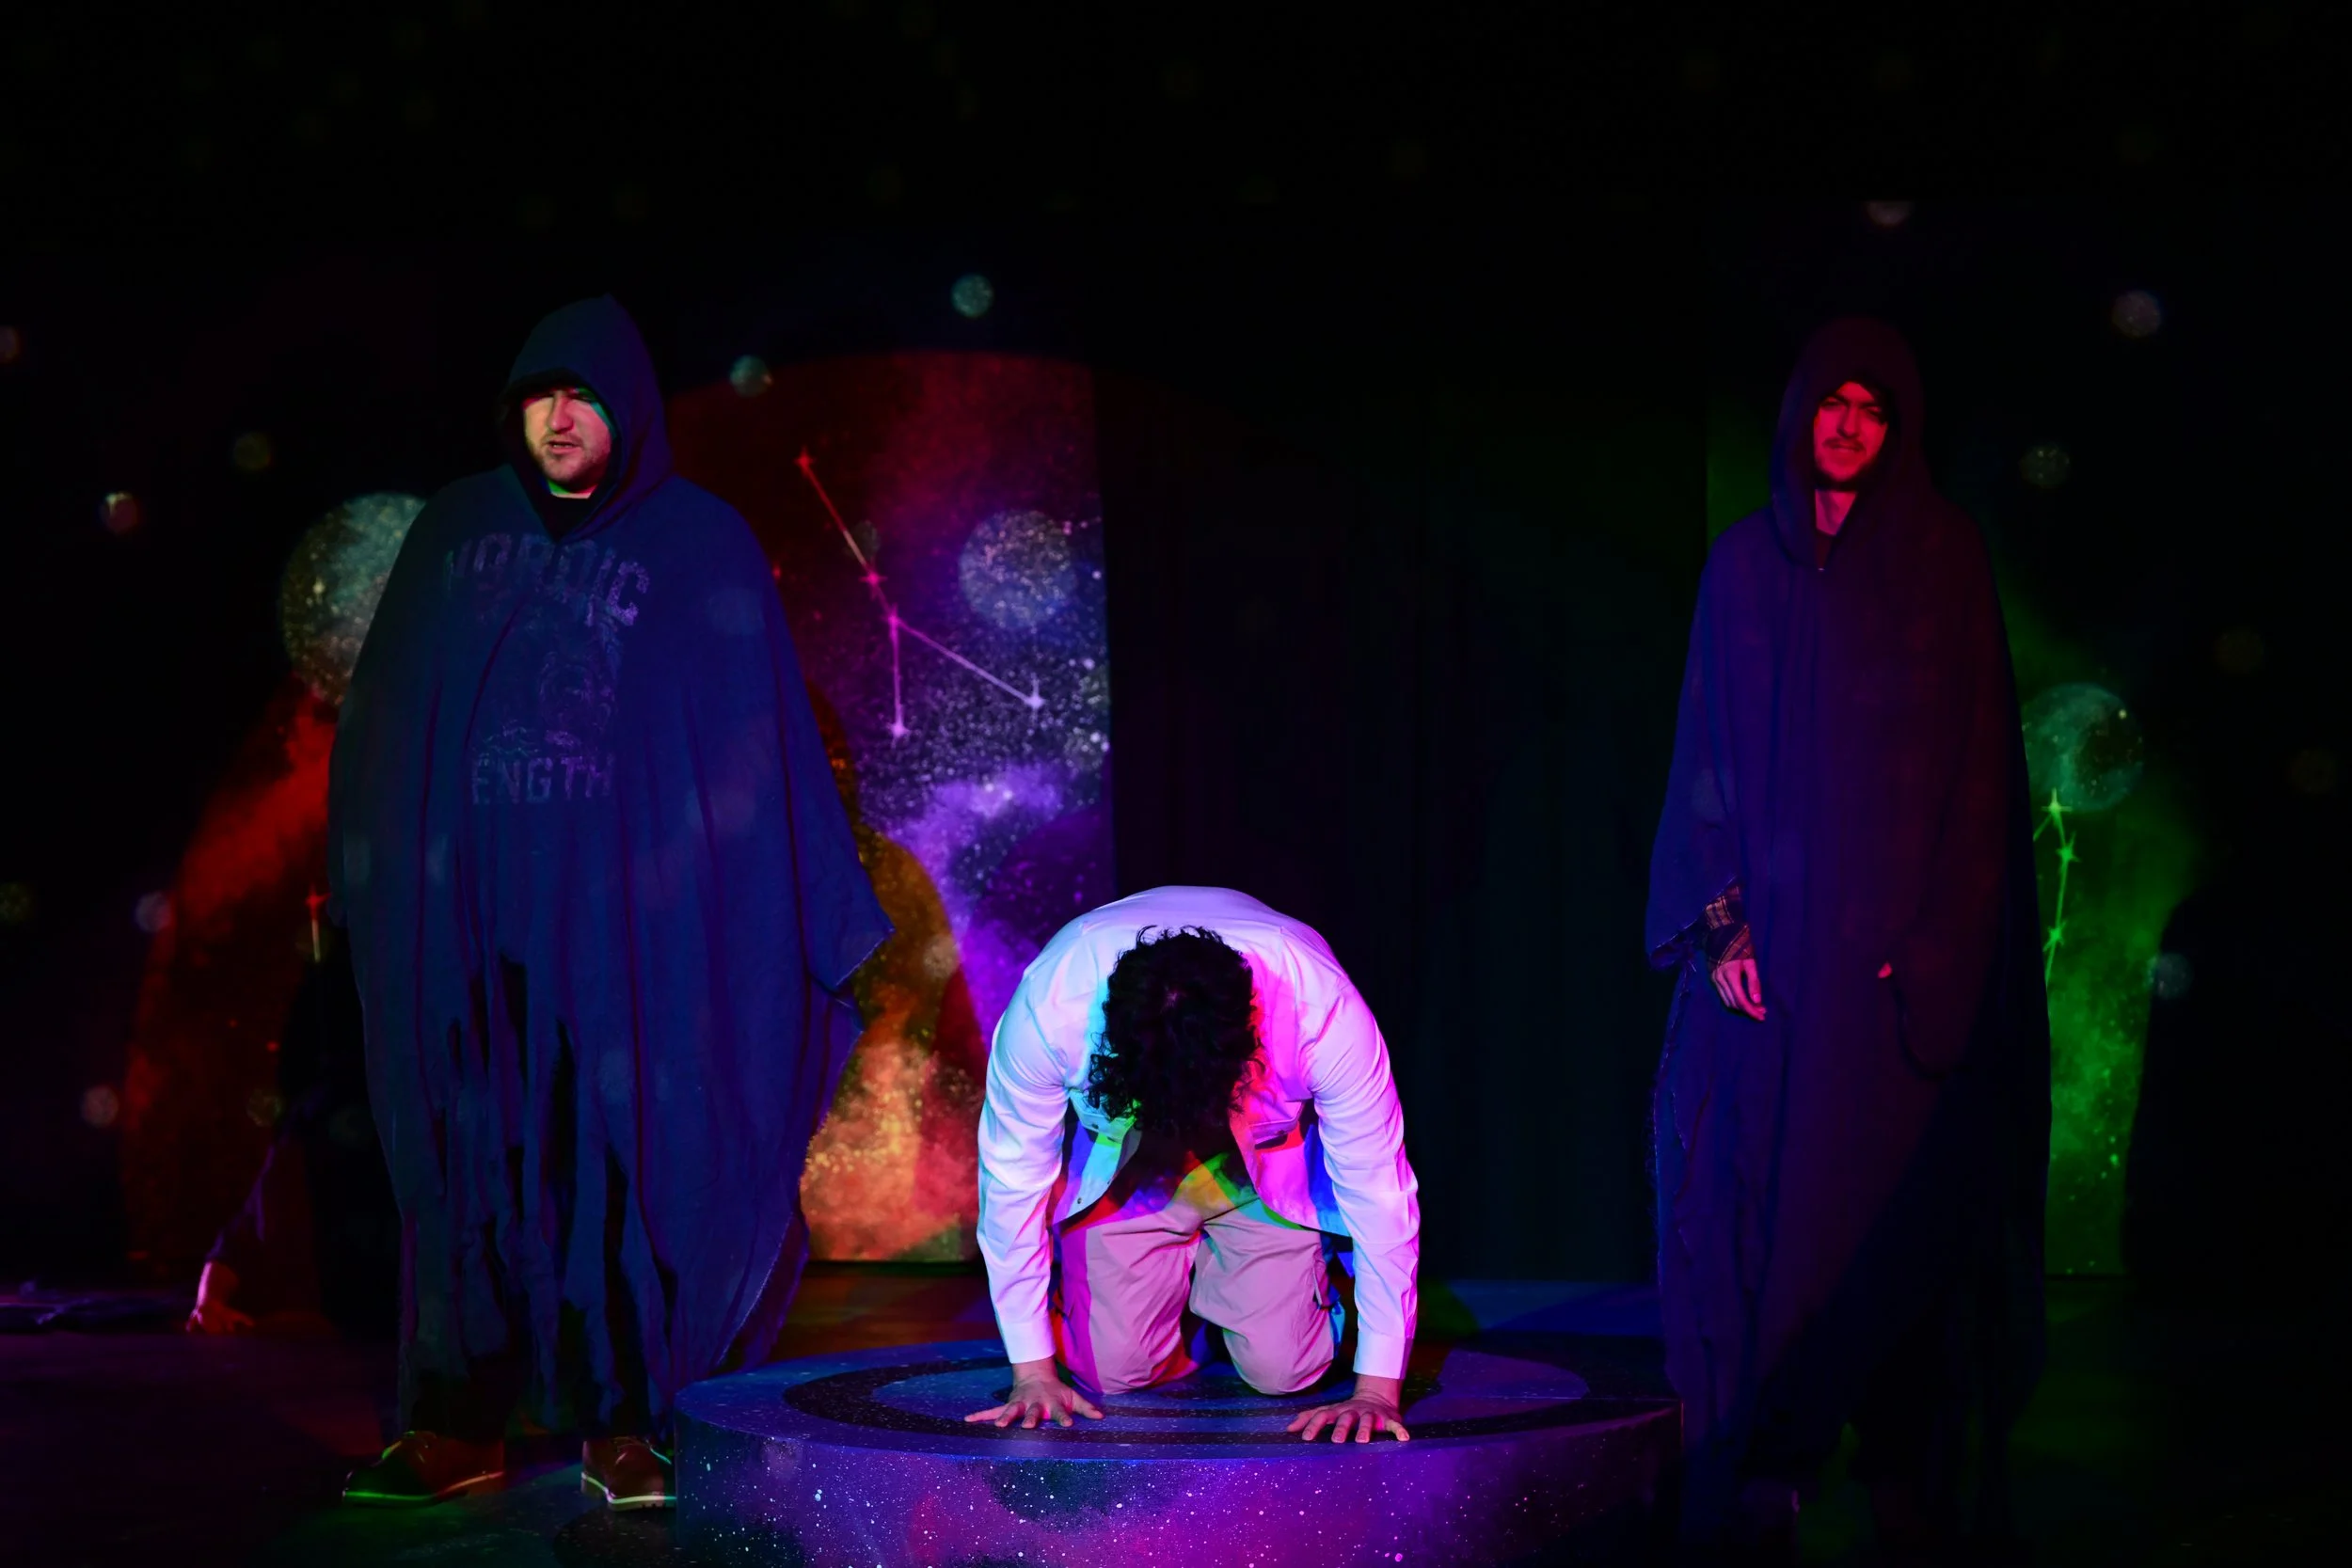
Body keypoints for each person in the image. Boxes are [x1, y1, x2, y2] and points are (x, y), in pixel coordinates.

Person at [327, 296, 890, 1509]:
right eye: (539, 398)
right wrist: (376, 878)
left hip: (625, 941)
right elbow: (389, 723)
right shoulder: (455, 530)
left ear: (628, 406)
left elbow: (749, 749)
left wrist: (783, 908)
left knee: (611, 1169)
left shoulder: (699, 543)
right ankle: (454, 1421)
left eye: (582, 397)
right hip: (470, 926)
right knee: (463, 1165)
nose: (559, 421)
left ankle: (620, 1419)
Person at [1646, 318, 2049, 1560]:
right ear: (1799, 412)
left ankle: (1903, 1463)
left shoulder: (1939, 557)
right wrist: (1722, 925)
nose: (1850, 428)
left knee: (1897, 1214)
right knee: (1757, 1209)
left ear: (1898, 427)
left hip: (1887, 981)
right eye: (1834, 402)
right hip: (1775, 972)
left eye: (1875, 409)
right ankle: (1769, 1454)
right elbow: (1705, 752)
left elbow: (1975, 770)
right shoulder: (1742, 567)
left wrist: (1930, 947)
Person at [967, 886, 1420, 1443]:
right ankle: (1195, 1312)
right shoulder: (1051, 1007)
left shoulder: (1320, 1010)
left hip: (1257, 1169)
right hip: (1133, 1166)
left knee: (1288, 1372)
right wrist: (1032, 1373)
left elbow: (1379, 1189)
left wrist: (1376, 1390)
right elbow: (1011, 1183)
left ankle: (1260, 1292)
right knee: (1110, 1373)